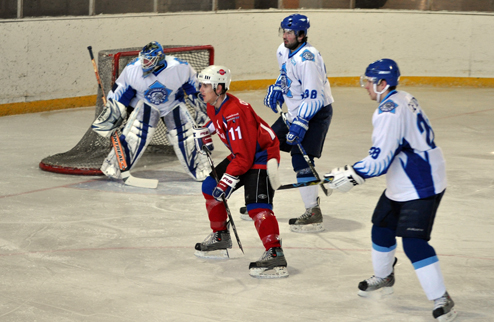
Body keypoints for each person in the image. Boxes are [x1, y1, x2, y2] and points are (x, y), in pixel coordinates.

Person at [324, 59, 457, 322]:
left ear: (383, 83)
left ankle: (442, 299)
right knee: (382, 226)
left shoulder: (388, 112)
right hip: (408, 176)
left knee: (414, 242)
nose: (366, 87)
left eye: (369, 82)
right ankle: (385, 276)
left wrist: (351, 173)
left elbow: (379, 162)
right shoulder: (402, 97)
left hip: (421, 181)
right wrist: (354, 171)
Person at [193, 65, 288, 279]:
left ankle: (275, 252)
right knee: (209, 187)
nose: (201, 89)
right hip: (243, 153)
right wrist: (206, 130)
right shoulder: (214, 104)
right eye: (201, 84)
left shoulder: (235, 112)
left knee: (257, 207)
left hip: (261, 155)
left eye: (206, 85)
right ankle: (221, 236)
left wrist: (227, 180)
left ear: (219, 87)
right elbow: (220, 122)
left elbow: (244, 157)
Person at [92, 41, 210, 182]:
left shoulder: (180, 67)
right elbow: (122, 93)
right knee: (135, 134)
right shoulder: (132, 69)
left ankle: (201, 168)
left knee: (186, 135)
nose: (145, 63)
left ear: (159, 58)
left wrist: (203, 108)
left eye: (149, 60)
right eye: (144, 59)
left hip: (172, 104)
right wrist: (113, 113)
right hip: (145, 105)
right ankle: (114, 166)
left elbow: (194, 88)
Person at [263, 14, 334, 233]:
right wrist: (278, 87)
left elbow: (315, 98)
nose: (285, 36)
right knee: (266, 144)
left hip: (315, 113)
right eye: (283, 31)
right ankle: (261, 202)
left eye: (290, 33)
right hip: (295, 112)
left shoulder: (308, 59)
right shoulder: (282, 50)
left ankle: (312, 211)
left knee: (301, 161)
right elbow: (286, 74)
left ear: (302, 35)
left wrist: (300, 123)